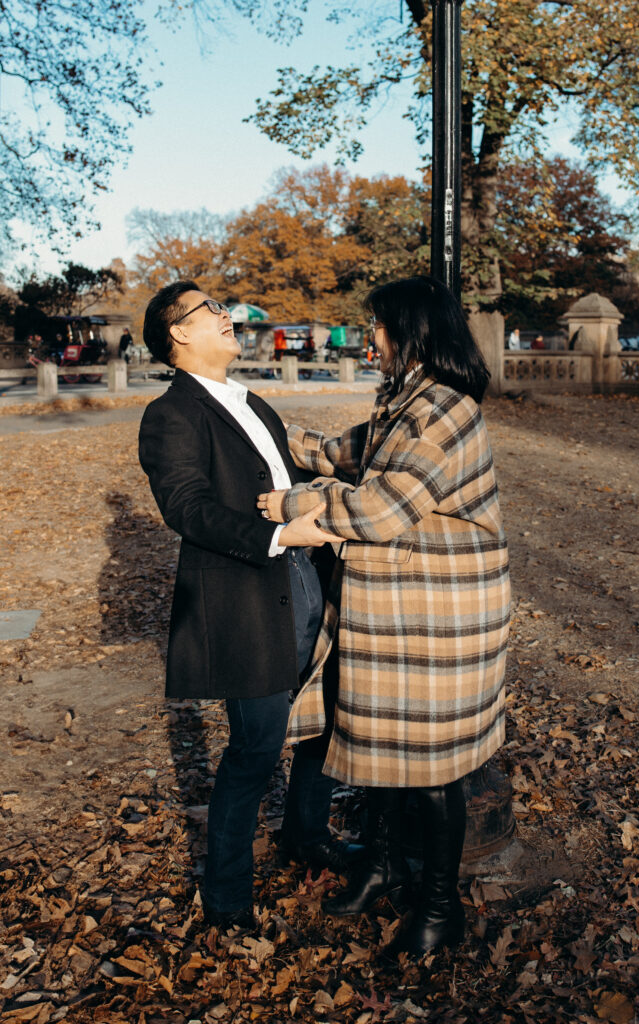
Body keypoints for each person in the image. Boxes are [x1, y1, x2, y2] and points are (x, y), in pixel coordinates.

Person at [258, 275, 511, 956]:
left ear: (412, 330)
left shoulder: (444, 409)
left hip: (439, 615)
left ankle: (438, 908)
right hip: (399, 612)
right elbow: (351, 454)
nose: (368, 337)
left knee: (432, 765)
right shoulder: (406, 401)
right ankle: (382, 864)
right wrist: (272, 434)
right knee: (384, 752)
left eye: (375, 326)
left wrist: (297, 510)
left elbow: (382, 505)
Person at [138, 281, 354, 934]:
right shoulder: (170, 414)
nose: (228, 318)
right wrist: (280, 534)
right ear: (178, 332)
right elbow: (187, 508)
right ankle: (227, 900)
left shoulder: (253, 401)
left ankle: (305, 835)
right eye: (212, 311)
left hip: (308, 580)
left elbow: (286, 482)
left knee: (323, 723)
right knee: (257, 748)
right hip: (245, 595)